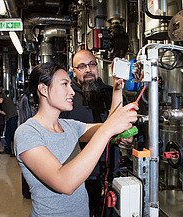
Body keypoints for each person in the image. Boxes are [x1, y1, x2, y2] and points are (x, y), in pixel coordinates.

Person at [14, 62, 138, 217]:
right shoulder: (27, 133)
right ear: (43, 89)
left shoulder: (69, 126)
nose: (72, 91)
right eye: (65, 84)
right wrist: (108, 130)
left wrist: (117, 90)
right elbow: (64, 183)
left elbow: (109, 126)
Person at [61, 49, 122, 216]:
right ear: (73, 70)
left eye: (91, 64)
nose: (88, 70)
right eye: (81, 66)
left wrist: (125, 137)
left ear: (97, 66)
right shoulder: (66, 98)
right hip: (80, 175)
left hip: (110, 171)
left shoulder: (112, 92)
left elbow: (122, 126)